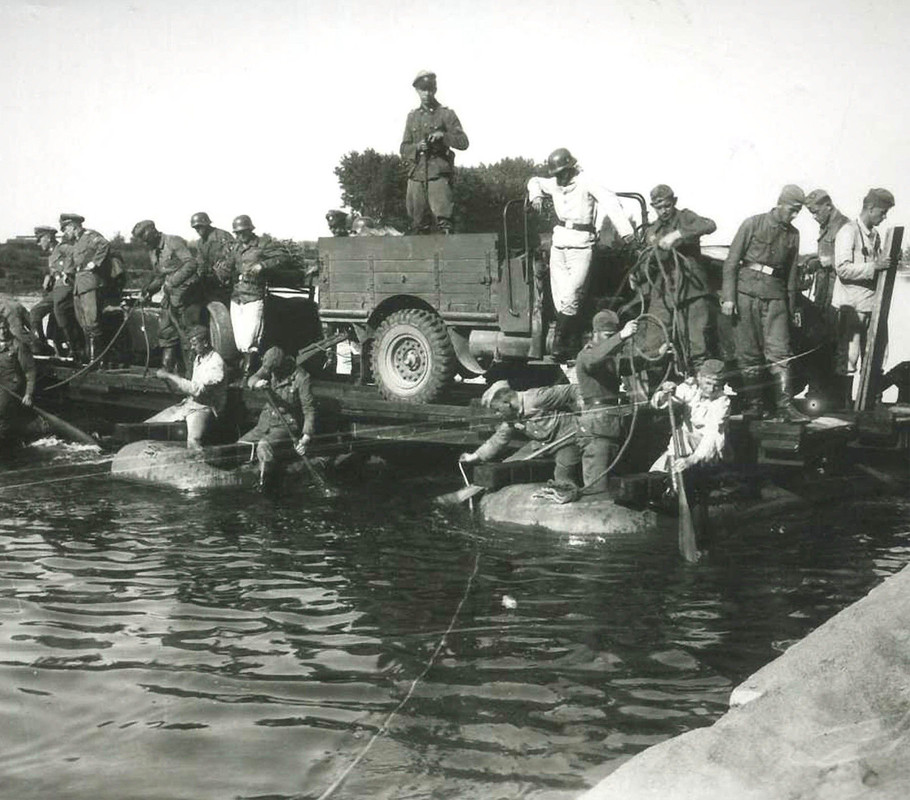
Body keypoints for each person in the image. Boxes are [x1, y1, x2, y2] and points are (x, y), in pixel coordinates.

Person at [527, 148, 635, 362]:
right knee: (560, 298)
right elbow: (534, 181)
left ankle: (560, 342)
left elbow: (611, 202)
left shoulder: (587, 183)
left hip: (581, 243)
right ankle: (570, 338)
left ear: (571, 168)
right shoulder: (554, 184)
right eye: (557, 174)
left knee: (571, 294)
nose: (560, 178)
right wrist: (536, 196)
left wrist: (627, 233)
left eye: (563, 173)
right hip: (559, 243)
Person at [721, 186, 810, 422]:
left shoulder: (793, 235)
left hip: (776, 297)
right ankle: (754, 405)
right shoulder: (752, 224)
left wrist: (792, 309)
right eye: (792, 210)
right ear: (780, 203)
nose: (794, 216)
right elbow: (731, 262)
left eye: (797, 212)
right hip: (745, 294)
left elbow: (791, 274)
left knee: (781, 352)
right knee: (748, 353)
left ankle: (785, 407)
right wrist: (729, 297)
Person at [640, 184, 718, 373]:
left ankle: (701, 393)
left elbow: (709, 224)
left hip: (692, 290)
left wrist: (679, 234)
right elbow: (646, 263)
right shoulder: (652, 231)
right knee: (653, 343)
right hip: (664, 293)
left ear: (673, 202)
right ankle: (659, 393)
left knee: (697, 345)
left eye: (667, 206)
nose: (663, 211)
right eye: (659, 207)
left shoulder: (686, 217)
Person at [649, 359, 730, 539]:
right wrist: (664, 392)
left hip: (707, 453)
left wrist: (692, 460)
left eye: (716, 385)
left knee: (684, 437)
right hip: (681, 448)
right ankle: (672, 491)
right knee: (677, 438)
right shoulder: (690, 389)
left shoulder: (722, 402)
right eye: (708, 383)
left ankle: (678, 492)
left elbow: (711, 437)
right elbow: (657, 404)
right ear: (699, 378)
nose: (711, 389)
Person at [832, 188, 896, 408]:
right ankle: (845, 405)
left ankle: (871, 402)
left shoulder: (876, 236)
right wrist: (874, 267)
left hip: (873, 306)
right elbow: (842, 269)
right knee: (849, 358)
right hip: (852, 306)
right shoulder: (848, 232)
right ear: (870, 208)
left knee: (878, 355)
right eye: (883, 211)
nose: (885, 216)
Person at [458, 379, 581, 487]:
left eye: (497, 410)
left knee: (562, 474)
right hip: (543, 446)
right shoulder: (511, 417)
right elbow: (498, 439)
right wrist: (474, 456)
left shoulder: (537, 398)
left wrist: (583, 403)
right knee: (511, 464)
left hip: (568, 440)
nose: (497, 414)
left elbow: (572, 389)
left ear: (507, 403)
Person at [574, 310, 638, 494]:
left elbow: (630, 365)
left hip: (612, 425)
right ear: (595, 333)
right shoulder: (586, 355)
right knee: (597, 485)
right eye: (607, 335)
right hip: (597, 428)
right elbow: (594, 359)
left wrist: (660, 353)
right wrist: (621, 336)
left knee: (614, 481)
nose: (611, 340)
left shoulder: (609, 358)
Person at [399, 70, 469, 234]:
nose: (426, 93)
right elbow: (404, 148)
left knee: (444, 222)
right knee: (417, 224)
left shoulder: (446, 114)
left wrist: (443, 136)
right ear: (417, 91)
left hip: (438, 174)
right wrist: (417, 147)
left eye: (429, 89)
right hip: (416, 176)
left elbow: (463, 142)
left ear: (435, 90)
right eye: (422, 90)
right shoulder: (413, 117)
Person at [240, 346, 316, 490]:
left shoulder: (302, 378)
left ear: (282, 365)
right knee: (241, 445)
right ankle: (247, 472)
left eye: (275, 370)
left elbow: (309, 409)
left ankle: (264, 484)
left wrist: (305, 438)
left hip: (285, 425)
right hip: (265, 423)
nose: (272, 374)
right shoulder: (269, 368)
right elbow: (252, 378)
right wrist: (256, 383)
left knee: (264, 446)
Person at [133, 220, 203, 376]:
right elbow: (160, 276)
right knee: (166, 332)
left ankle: (192, 374)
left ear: (152, 231)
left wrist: (173, 281)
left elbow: (191, 264)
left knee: (188, 335)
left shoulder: (173, 241)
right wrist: (148, 291)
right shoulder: (153, 251)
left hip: (188, 295)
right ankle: (168, 370)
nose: (143, 242)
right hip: (170, 296)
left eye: (143, 237)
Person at [801, 190, 850, 408]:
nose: (814, 216)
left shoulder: (844, 227)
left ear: (828, 205)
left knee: (833, 343)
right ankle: (820, 391)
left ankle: (832, 396)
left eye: (816, 211)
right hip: (822, 293)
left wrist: (822, 261)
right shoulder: (827, 226)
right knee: (819, 341)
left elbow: (844, 260)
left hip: (836, 296)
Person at [147, 325, 227, 449]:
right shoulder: (199, 358)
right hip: (189, 404)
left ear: (205, 342)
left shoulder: (216, 363)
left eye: (195, 344)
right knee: (149, 425)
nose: (192, 347)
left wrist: (170, 376)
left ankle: (198, 462)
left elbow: (197, 390)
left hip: (204, 407)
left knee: (193, 441)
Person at [222, 215, 282, 377]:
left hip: (254, 295)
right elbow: (227, 265)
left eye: (242, 232)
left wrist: (262, 265)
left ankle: (249, 369)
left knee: (250, 337)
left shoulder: (263, 244)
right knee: (239, 339)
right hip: (237, 296)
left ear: (250, 230)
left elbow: (281, 258)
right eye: (237, 233)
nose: (239, 236)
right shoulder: (235, 248)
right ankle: (245, 366)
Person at [59, 213, 111, 364]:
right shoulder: (77, 242)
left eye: (66, 229)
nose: (65, 232)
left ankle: (97, 360)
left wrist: (94, 263)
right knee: (83, 323)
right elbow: (73, 260)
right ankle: (90, 358)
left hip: (89, 283)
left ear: (73, 226)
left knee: (92, 322)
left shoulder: (89, 236)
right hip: (79, 285)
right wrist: (67, 273)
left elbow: (104, 244)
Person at [28, 226, 80, 358]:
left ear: (48, 238)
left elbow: (76, 253)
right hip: (56, 290)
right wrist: (49, 277)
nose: (38, 243)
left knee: (59, 311)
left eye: (40, 239)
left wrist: (68, 273)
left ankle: (74, 348)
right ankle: (41, 345)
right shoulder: (52, 255)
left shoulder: (63, 247)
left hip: (68, 288)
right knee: (35, 312)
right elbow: (54, 270)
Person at [0, 317, 36, 446]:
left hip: (12, 388)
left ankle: (6, 444)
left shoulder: (17, 346)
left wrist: (28, 394)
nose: (2, 331)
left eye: (4, 327)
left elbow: (30, 371)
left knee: (2, 411)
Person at [190, 212, 234, 306]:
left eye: (199, 227)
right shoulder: (200, 243)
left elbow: (231, 260)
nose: (197, 230)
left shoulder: (223, 236)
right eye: (195, 228)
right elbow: (200, 262)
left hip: (224, 283)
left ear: (206, 224)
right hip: (209, 282)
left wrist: (216, 273)